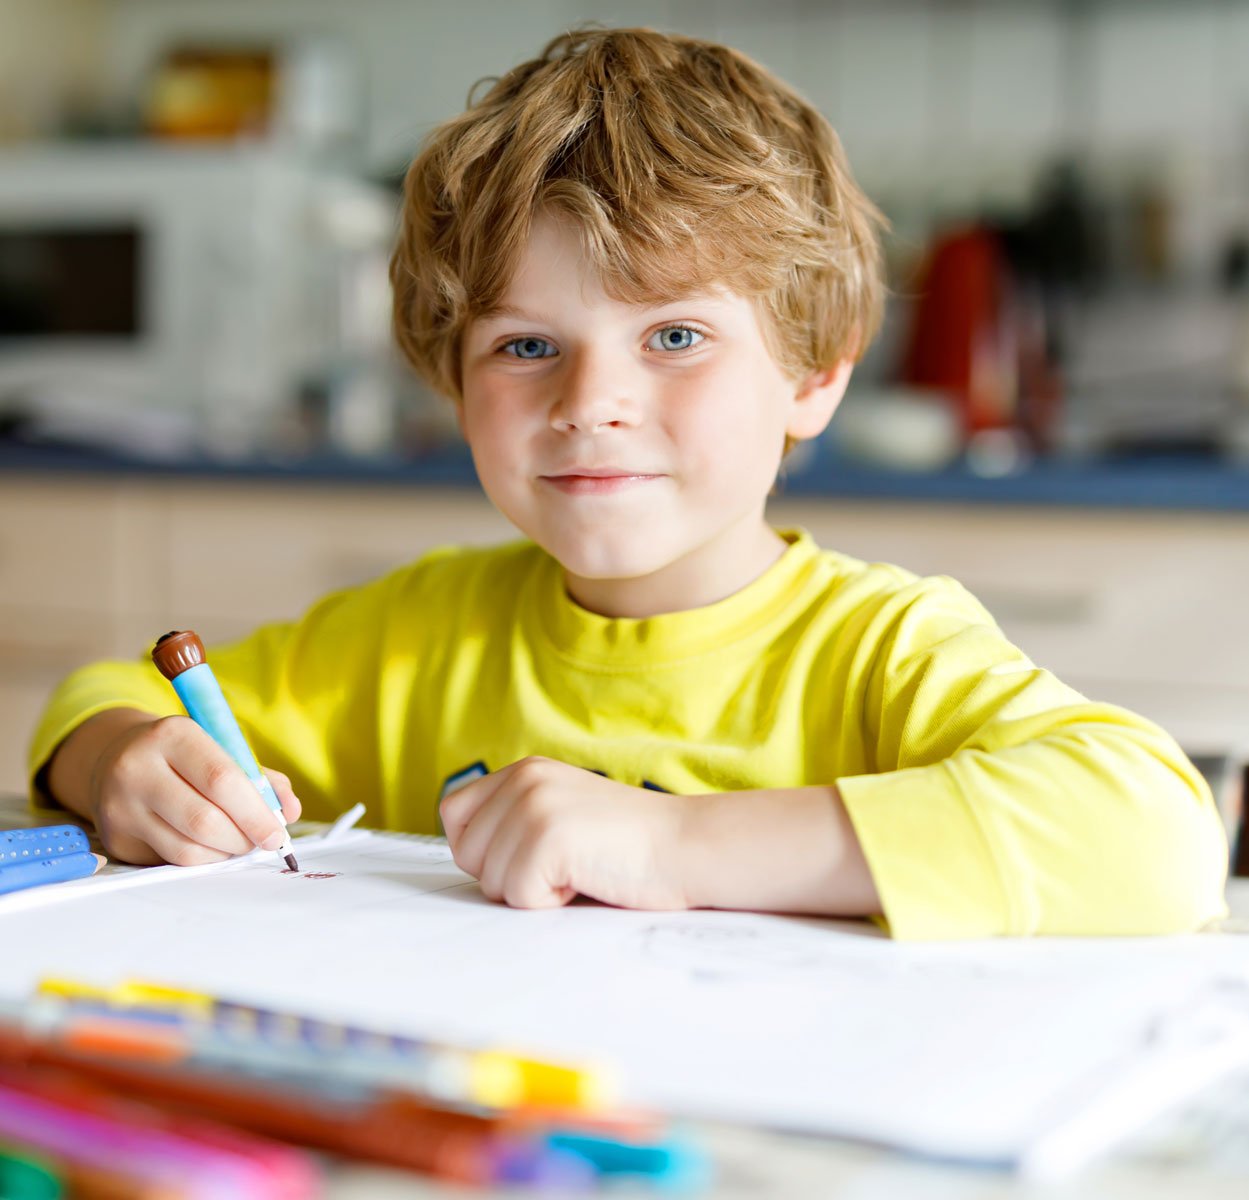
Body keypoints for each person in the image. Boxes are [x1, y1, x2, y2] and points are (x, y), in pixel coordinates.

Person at [27, 28, 1227, 939]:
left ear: (813, 377)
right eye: (526, 345)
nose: (588, 401)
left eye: (673, 337)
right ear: (454, 382)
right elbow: (100, 694)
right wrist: (122, 759)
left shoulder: (880, 649)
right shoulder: (412, 636)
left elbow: (1158, 837)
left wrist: (679, 844)